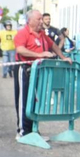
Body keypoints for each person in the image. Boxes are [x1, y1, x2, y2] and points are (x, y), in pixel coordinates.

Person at [12, 9, 64, 139]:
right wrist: (39, 55)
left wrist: (63, 57)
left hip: (37, 70)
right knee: (23, 99)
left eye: (42, 19)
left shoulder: (41, 34)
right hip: (24, 69)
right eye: (39, 19)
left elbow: (53, 45)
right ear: (30, 21)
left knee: (35, 100)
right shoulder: (23, 33)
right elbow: (20, 49)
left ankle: (34, 130)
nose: (41, 22)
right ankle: (23, 131)